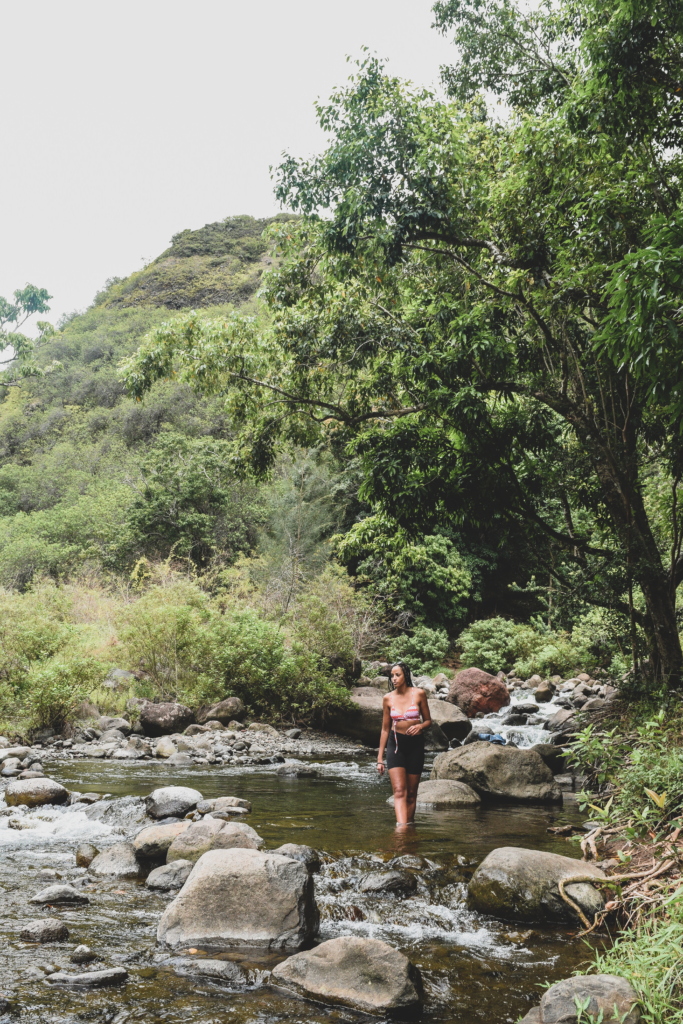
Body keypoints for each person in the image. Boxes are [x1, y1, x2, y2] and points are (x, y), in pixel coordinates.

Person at [377, 662, 431, 826]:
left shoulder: (419, 694)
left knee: (411, 793)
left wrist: (420, 726)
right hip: (396, 745)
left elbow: (428, 721)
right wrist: (380, 758)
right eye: (392, 675)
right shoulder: (388, 698)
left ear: (406, 675)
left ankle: (409, 826)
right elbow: (385, 729)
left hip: (416, 746)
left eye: (397, 675)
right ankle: (402, 830)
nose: (394, 678)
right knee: (399, 791)